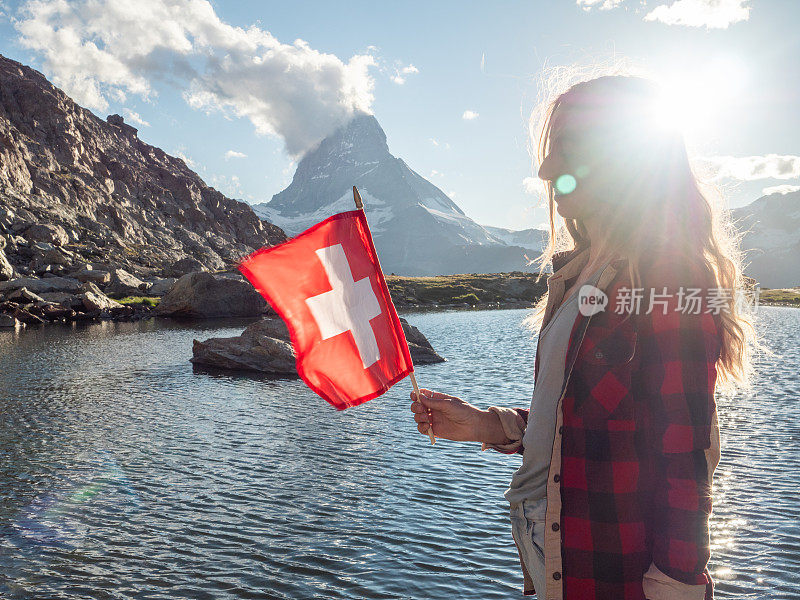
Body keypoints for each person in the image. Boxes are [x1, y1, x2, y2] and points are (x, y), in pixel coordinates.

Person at [409, 74, 759, 600]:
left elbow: (683, 455)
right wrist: (489, 425)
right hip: (559, 567)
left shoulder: (666, 276)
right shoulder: (580, 275)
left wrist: (678, 585)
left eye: (568, 147)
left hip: (616, 578)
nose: (548, 169)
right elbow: (590, 425)